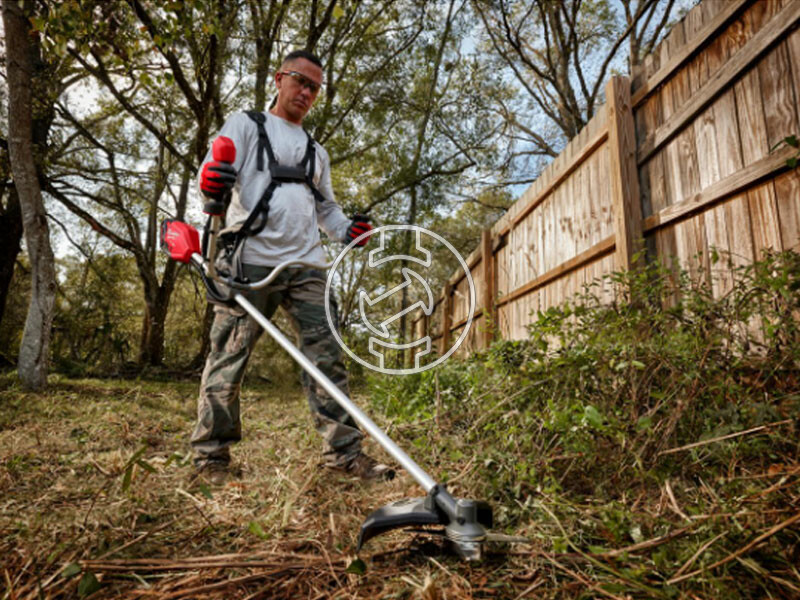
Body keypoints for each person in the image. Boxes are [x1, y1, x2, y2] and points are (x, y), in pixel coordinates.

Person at [192, 49, 393, 484]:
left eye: (314, 88)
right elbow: (212, 173)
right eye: (300, 81)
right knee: (228, 357)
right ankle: (211, 459)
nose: (306, 92)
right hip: (248, 262)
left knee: (327, 359)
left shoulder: (316, 152)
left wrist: (348, 230)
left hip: (307, 266)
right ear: (279, 79)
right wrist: (211, 182)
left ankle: (344, 456)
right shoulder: (246, 125)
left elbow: (327, 210)